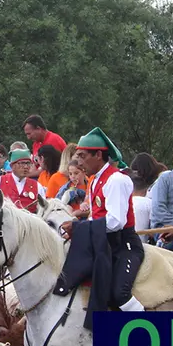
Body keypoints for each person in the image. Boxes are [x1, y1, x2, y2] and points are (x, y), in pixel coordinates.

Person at [53, 128, 145, 314]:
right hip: (102, 243)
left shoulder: (116, 179)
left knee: (119, 293)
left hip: (123, 245)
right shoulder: (94, 179)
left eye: (82, 156)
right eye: (77, 156)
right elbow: (95, 217)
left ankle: (145, 328)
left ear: (98, 155)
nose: (78, 161)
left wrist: (80, 227)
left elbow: (115, 222)